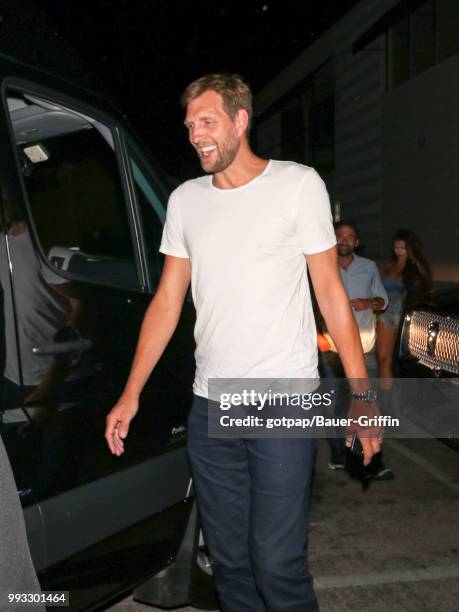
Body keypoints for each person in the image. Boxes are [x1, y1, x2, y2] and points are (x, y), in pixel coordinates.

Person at [105, 74, 382, 612]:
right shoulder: (186, 201)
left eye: (206, 121)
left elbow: (331, 296)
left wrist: (363, 397)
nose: (194, 135)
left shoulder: (297, 185)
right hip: (212, 408)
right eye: (188, 125)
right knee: (230, 564)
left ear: (240, 120)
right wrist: (130, 391)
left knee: (276, 564)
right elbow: (166, 303)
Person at [318, 222, 393, 480]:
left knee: (368, 404)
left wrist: (368, 303)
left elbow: (384, 301)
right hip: (332, 350)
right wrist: (318, 337)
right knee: (333, 407)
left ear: (356, 243)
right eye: (340, 235)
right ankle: (339, 452)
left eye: (350, 236)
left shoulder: (368, 267)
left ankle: (372, 459)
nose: (344, 240)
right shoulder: (320, 267)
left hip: (364, 350)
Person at [377, 229, 433, 388]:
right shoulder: (389, 267)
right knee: (383, 360)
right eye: (396, 247)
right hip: (387, 314)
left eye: (403, 248)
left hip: (407, 317)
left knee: (401, 363)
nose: (399, 251)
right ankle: (384, 401)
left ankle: (396, 403)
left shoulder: (415, 269)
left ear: (410, 248)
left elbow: (422, 293)